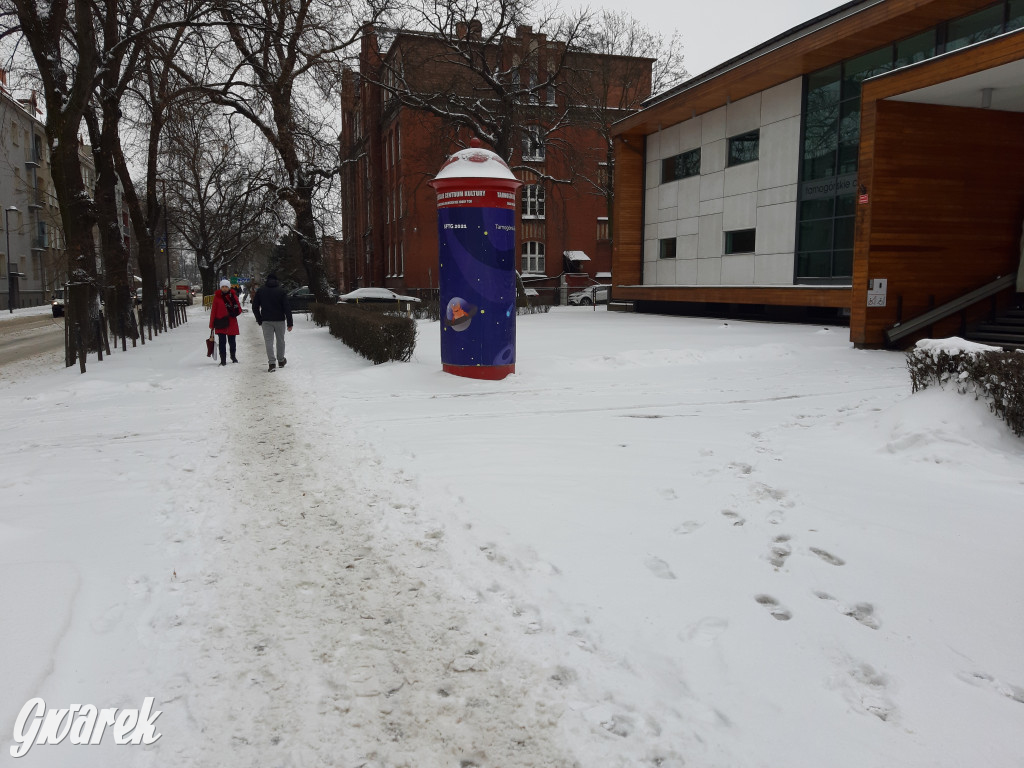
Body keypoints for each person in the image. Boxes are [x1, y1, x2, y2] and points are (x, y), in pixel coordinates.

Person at [252, 272, 293, 372]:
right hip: (280, 320)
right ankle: (281, 360)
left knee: (268, 342)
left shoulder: (261, 291)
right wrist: (290, 323)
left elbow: (255, 306)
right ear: (276, 280)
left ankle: (272, 363)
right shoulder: (281, 291)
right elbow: (287, 307)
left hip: (266, 320)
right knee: (280, 340)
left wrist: (259, 319)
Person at [209, 279, 242, 366]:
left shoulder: (233, 296)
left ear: (229, 287)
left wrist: (235, 312)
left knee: (232, 342)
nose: (224, 288)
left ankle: (233, 357)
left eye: (226, 286)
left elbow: (239, 308)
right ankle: (223, 359)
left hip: (231, 322)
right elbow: (213, 311)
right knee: (222, 342)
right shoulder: (217, 297)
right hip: (220, 322)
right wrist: (211, 324)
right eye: (223, 287)